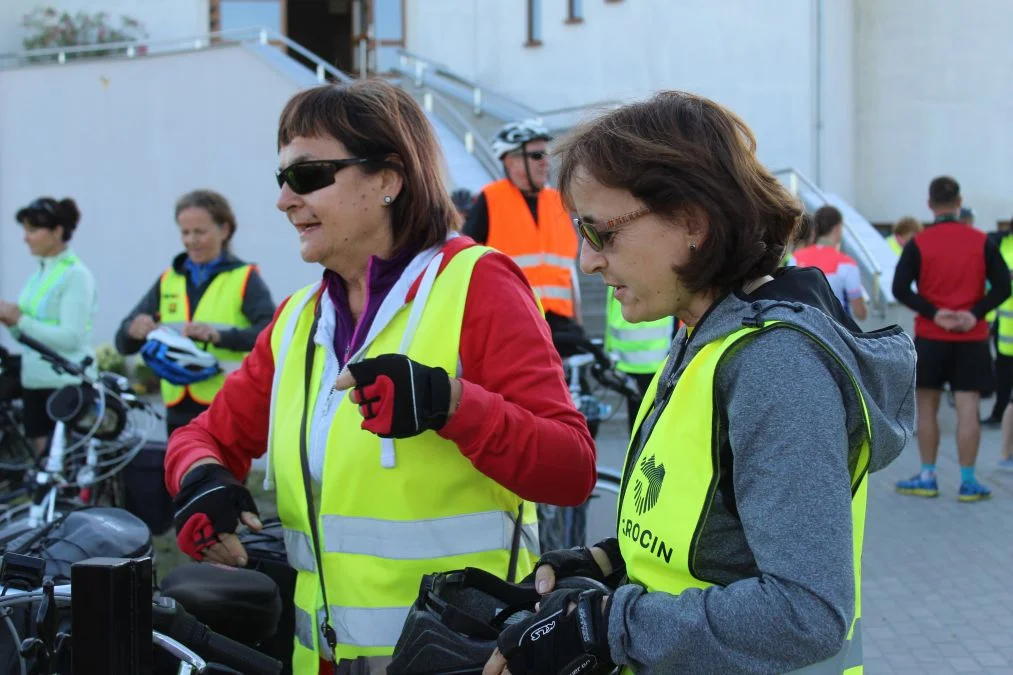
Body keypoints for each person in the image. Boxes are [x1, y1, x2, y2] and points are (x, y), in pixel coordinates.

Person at [164, 79, 597, 674]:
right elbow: (202, 437)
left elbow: (571, 468)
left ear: (389, 178)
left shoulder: (476, 283)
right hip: (318, 659)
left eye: (309, 175)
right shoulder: (297, 320)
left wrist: (448, 404)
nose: (285, 200)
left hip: (461, 657)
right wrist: (202, 480)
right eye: (281, 178)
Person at [482, 90, 915, 675]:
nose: (585, 260)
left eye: (600, 231)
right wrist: (608, 565)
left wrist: (609, 625)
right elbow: (712, 536)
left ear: (692, 222)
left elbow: (807, 611)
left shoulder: (773, 364)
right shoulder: (700, 330)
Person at [115, 189, 276, 436]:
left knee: (222, 475)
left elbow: (270, 335)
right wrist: (133, 330)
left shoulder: (245, 278)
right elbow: (122, 343)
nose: (191, 241)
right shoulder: (168, 280)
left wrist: (218, 336)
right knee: (181, 475)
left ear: (224, 230)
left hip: (228, 404)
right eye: (185, 233)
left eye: (199, 232)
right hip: (178, 409)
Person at [892, 176, 1010, 501]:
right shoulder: (981, 241)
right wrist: (975, 313)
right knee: (968, 408)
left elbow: (899, 288)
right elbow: (1004, 287)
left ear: (930, 206)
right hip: (971, 337)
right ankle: (968, 482)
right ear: (959, 203)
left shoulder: (920, 243)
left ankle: (928, 476)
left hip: (931, 337)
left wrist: (933, 313)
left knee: (927, 407)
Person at [462, 120, 582, 329]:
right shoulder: (491, 199)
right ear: (511, 161)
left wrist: (578, 324)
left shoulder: (558, 201)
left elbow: (569, 275)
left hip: (562, 324)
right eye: (536, 155)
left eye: (546, 155)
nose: (545, 162)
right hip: (511, 321)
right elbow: (464, 265)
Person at [0, 197, 97, 454]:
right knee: (41, 471)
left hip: (64, 383)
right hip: (35, 382)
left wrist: (19, 319)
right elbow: (27, 334)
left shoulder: (75, 274)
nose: (25, 238)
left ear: (57, 232)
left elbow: (71, 338)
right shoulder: (39, 273)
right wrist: (11, 321)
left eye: (32, 230)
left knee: (61, 472)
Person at [603, 286, 673, 435]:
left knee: (642, 422)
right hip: (649, 358)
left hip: (641, 359)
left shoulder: (623, 270)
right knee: (646, 422)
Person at [793, 205, 869, 321]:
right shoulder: (847, 263)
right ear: (837, 228)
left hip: (803, 328)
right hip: (836, 331)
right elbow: (860, 313)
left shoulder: (795, 258)